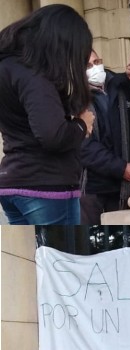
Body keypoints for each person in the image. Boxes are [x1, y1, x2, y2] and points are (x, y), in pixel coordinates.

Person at [0, 4, 95, 224]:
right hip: (45, 185)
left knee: (42, 249)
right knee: (60, 253)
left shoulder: (7, 67)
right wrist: (82, 124)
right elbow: (53, 135)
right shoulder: (32, 74)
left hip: (13, 181)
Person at [80, 52, 130, 225]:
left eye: (97, 61)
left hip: (125, 184)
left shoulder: (121, 85)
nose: (95, 67)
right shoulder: (75, 100)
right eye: (88, 66)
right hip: (94, 187)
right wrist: (120, 167)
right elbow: (84, 146)